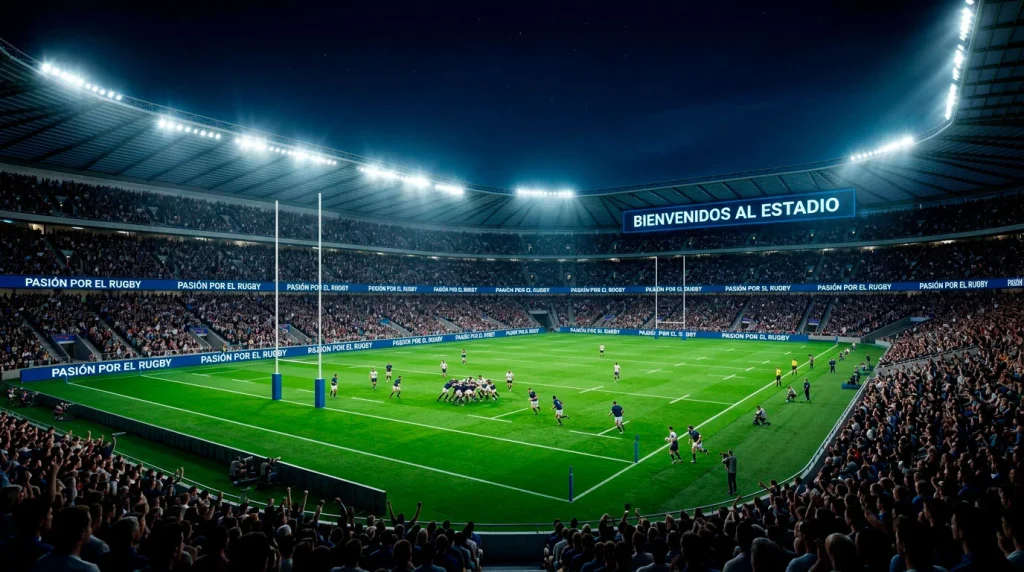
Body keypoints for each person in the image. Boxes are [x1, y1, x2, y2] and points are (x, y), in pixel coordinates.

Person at [31, 505, 100, 572]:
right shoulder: (89, 569)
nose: (91, 530)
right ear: (82, 532)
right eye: (89, 526)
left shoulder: (40, 563)